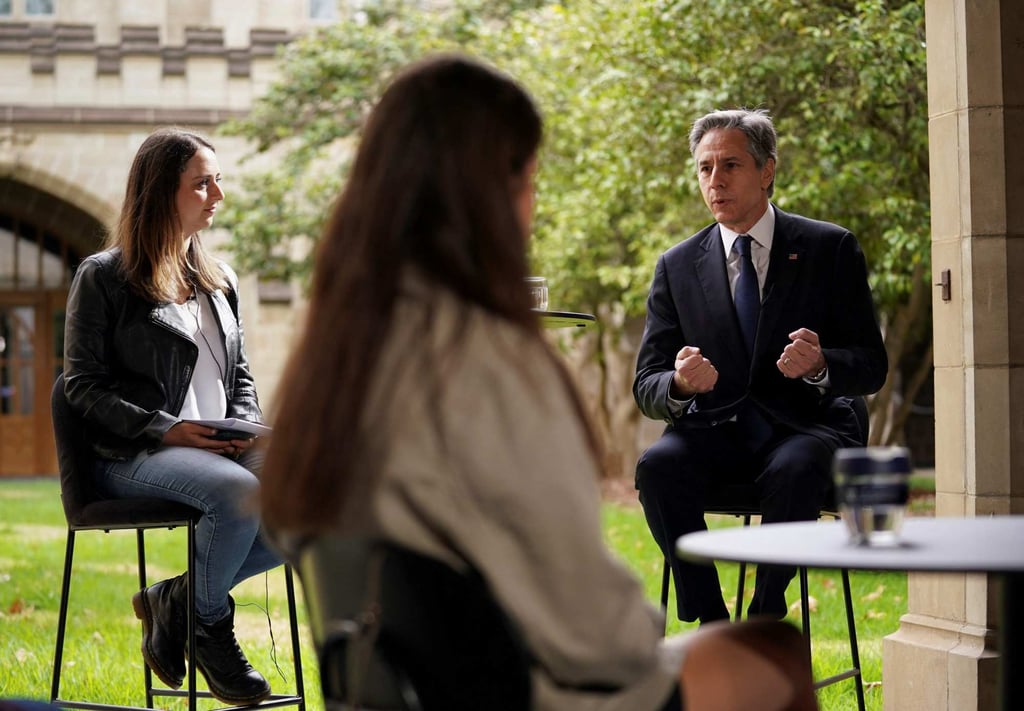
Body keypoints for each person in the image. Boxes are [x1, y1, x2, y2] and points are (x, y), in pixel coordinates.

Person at [260, 55, 819, 711]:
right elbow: (591, 627)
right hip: (529, 693)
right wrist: (649, 636)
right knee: (773, 653)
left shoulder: (329, 362)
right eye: (529, 178)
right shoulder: (494, 359)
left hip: (407, 688)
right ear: (495, 193)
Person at [633, 108, 888, 625]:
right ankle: (712, 622)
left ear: (767, 170)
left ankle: (765, 616)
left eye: (730, 165)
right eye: (704, 168)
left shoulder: (829, 247)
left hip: (807, 427)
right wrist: (679, 384)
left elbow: (871, 365)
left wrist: (820, 365)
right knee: (656, 469)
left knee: (795, 468)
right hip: (714, 429)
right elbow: (647, 382)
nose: (715, 180)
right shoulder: (676, 265)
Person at [62, 127, 279, 705]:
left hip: (217, 446)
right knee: (237, 496)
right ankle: (209, 629)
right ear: (162, 192)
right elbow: (82, 385)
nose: (217, 195)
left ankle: (175, 601)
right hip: (134, 453)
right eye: (201, 183)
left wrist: (243, 428)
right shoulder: (104, 277)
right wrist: (167, 428)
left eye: (217, 181)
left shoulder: (220, 279)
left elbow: (240, 376)